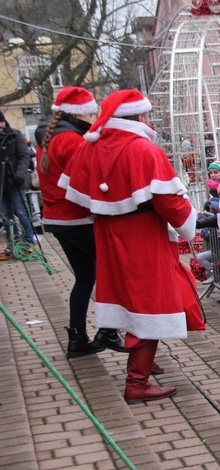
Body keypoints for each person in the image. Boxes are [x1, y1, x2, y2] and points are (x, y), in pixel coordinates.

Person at [61, 89, 204, 403]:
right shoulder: (143, 149)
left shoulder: (91, 147)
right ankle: (136, 382)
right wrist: (189, 225)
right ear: (139, 116)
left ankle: (144, 361)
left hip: (107, 233)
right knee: (148, 302)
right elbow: (169, 201)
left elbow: (75, 195)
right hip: (143, 235)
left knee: (126, 298)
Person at [34, 86, 127, 357]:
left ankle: (77, 338)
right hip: (78, 218)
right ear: (82, 113)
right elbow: (86, 180)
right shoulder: (72, 140)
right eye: (93, 112)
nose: (95, 117)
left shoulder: (49, 137)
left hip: (57, 218)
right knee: (113, 273)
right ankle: (108, 330)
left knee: (85, 277)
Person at [0, 109, 34, 257]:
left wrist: (20, 175)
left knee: (21, 212)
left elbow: (23, 156)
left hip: (16, 180)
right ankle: (12, 242)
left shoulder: (15, 135)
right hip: (1, 184)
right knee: (5, 215)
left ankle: (27, 241)